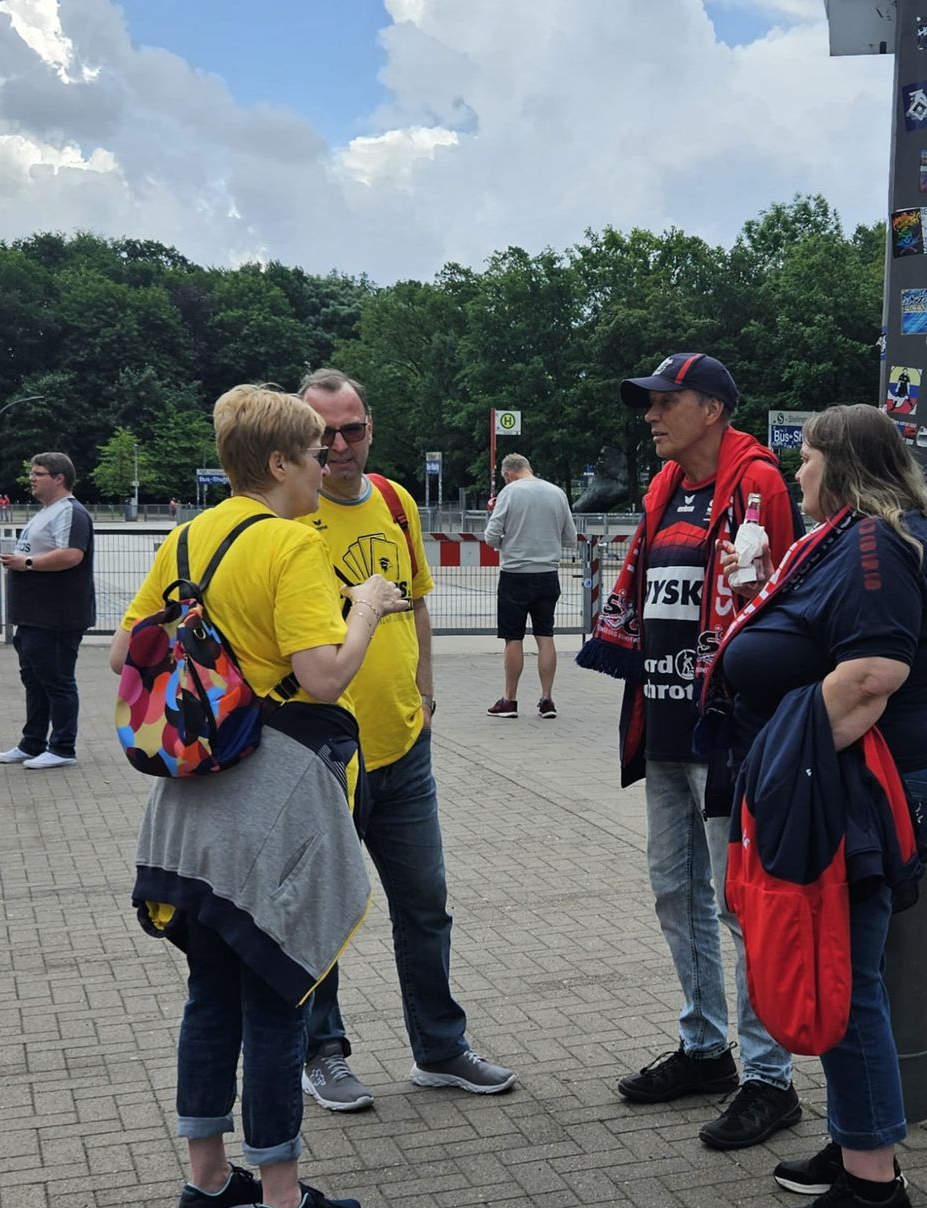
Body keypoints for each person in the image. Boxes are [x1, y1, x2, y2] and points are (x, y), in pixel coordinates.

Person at [110, 384, 409, 1208]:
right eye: (316, 453)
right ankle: (282, 1195)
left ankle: (208, 1182)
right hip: (269, 799)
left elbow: (123, 654)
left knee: (211, 991)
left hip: (189, 802)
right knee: (280, 992)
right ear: (279, 463)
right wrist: (367, 609)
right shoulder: (289, 543)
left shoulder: (187, 536)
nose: (328, 464)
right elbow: (323, 676)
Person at [705, 403, 927, 1208]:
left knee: (845, 987)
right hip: (849, 777)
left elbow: (869, 676)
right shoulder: (854, 536)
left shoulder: (877, 543)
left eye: (808, 458)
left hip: (863, 782)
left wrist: (784, 764)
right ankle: (859, 1138)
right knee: (847, 978)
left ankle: (875, 1190)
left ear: (844, 466)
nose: (796, 472)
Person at [577, 352, 804, 1150]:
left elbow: (772, 605)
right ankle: (708, 1047)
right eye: (649, 404)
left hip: (726, 731)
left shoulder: (759, 483)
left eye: (665, 402)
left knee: (741, 902)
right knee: (675, 890)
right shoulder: (665, 489)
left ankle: (770, 1077)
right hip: (665, 724)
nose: (651, 416)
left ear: (711, 408)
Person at [297, 368, 517, 1108]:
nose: (338, 445)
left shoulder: (392, 501)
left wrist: (424, 688)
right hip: (322, 754)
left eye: (351, 428)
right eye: (322, 432)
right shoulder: (289, 515)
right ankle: (320, 1050)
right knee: (324, 910)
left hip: (402, 744)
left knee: (425, 903)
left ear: (370, 428)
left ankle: (440, 1047)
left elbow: (417, 600)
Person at [0, 453, 95, 770]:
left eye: (38, 473)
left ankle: (63, 747)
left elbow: (72, 555)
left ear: (59, 478)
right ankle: (32, 743)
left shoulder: (71, 513)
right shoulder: (47, 513)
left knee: (58, 680)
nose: (32, 478)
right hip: (33, 615)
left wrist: (26, 563)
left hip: (56, 616)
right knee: (35, 681)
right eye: (32, 472)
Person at [482, 453, 576, 718]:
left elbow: (491, 537)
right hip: (548, 574)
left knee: (513, 638)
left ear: (509, 473)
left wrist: (509, 542)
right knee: (545, 635)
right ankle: (547, 700)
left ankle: (509, 700)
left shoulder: (510, 493)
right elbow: (569, 538)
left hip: (515, 575)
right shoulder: (556, 492)